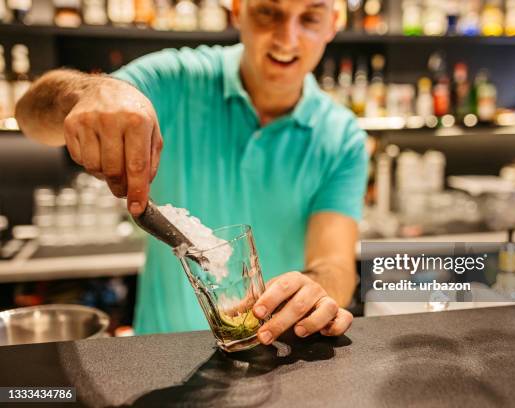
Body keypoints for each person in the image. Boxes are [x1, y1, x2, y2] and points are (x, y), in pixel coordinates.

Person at [15, 0, 368, 346]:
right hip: (160, 358)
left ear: (333, 22)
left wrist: (312, 290)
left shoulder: (341, 135)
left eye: (310, 16)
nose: (287, 38)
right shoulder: (174, 78)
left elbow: (335, 264)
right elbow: (31, 119)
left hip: (271, 352)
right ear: (237, 11)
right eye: (268, 11)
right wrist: (88, 92)